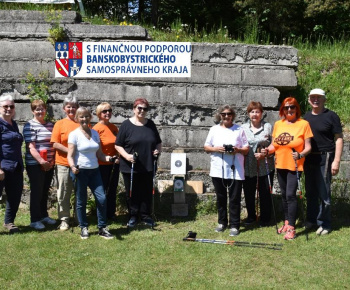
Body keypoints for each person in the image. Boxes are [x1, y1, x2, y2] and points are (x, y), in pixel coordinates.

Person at [262, 97, 313, 240]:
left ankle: (291, 227)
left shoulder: (304, 124)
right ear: (282, 110)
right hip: (281, 164)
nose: (289, 110)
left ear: (297, 108)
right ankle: (286, 222)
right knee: (284, 195)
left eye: (292, 107)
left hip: (295, 166)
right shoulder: (278, 124)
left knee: (291, 195)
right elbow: (274, 145)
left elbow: (308, 147)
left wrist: (300, 154)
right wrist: (267, 151)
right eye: (286, 107)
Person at [67, 107, 114, 239]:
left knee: (102, 198)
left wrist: (110, 158)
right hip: (80, 171)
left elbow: (99, 154)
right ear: (77, 119)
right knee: (81, 200)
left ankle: (102, 227)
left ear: (91, 118)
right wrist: (72, 167)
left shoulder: (95, 133)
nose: (84, 119)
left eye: (87, 116)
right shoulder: (74, 134)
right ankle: (84, 227)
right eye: (81, 116)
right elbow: (70, 155)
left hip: (95, 171)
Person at [115, 98, 162, 228]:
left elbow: (158, 142)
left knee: (146, 191)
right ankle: (133, 216)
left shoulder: (150, 124)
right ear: (134, 109)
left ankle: (146, 216)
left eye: (145, 108)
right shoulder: (126, 125)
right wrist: (127, 156)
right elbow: (118, 145)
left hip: (148, 164)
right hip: (130, 165)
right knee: (132, 192)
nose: (142, 110)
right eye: (139, 108)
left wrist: (157, 150)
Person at [204, 105, 249, 236]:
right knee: (221, 197)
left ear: (233, 116)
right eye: (223, 114)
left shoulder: (239, 129)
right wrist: (216, 149)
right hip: (218, 169)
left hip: (236, 169)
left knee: (234, 198)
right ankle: (222, 222)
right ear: (220, 116)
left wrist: (237, 150)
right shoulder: (214, 129)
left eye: (229, 114)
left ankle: (235, 225)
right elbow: (206, 147)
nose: (226, 116)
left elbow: (246, 149)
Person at [304, 88, 343, 235]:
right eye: (313, 97)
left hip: (325, 157)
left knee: (324, 193)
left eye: (319, 97)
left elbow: (338, 139)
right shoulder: (306, 117)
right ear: (309, 99)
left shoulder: (331, 116)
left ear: (324, 100)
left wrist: (336, 161)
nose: (316, 99)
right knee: (310, 192)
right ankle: (311, 220)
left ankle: (325, 224)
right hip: (309, 158)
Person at [23, 100, 56, 230]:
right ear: (32, 111)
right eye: (37, 109)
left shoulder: (50, 125)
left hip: (49, 164)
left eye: (42, 109)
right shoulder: (29, 125)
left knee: (45, 190)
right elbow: (31, 147)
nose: (40, 111)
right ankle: (34, 219)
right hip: (35, 164)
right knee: (37, 191)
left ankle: (43, 215)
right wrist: (42, 162)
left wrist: (50, 162)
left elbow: (53, 143)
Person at [241, 101, 275, 227]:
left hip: (265, 164)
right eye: (252, 111)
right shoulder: (243, 128)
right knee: (249, 192)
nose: (254, 114)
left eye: (257, 111)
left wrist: (266, 153)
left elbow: (273, 144)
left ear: (261, 113)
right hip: (248, 164)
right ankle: (251, 216)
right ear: (248, 114)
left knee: (265, 192)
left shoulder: (268, 127)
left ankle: (265, 218)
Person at [51, 96, 80, 231]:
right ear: (64, 108)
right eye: (68, 106)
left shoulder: (82, 123)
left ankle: (79, 217)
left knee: (80, 191)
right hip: (63, 163)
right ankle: (64, 219)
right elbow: (55, 143)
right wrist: (70, 151)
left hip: (79, 164)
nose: (71, 109)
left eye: (74, 106)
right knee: (63, 192)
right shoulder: (59, 124)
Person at [0, 95, 24, 234]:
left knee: (15, 195)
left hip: (15, 166)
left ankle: (9, 222)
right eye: (5, 106)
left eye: (11, 106)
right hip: (3, 167)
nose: (9, 109)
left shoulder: (13, 124)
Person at [93, 102, 120, 222]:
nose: (107, 113)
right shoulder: (96, 129)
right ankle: (101, 214)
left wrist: (118, 156)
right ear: (99, 114)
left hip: (114, 164)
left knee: (112, 189)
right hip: (101, 165)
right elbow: (96, 149)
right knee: (102, 191)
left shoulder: (114, 128)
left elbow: (119, 145)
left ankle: (111, 213)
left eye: (109, 110)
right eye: (104, 111)